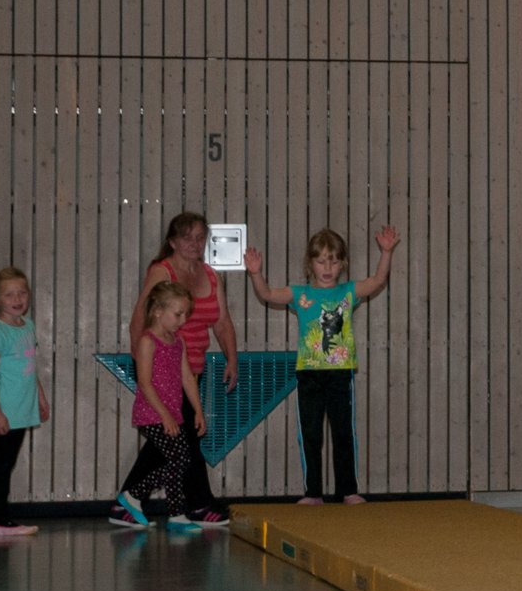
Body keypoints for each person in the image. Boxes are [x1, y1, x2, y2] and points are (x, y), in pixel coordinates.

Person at [244, 225, 398, 505]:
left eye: (334, 260)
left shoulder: (348, 292)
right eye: (321, 260)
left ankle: (348, 490)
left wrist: (386, 252)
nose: (327, 267)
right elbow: (267, 294)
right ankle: (313, 492)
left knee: (343, 432)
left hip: (340, 374)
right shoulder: (299, 294)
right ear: (310, 263)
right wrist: (256, 274)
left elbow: (377, 281)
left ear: (343, 264)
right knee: (311, 432)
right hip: (309, 374)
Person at [117, 212, 239, 528]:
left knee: (172, 442)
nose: (194, 244)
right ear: (172, 241)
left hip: (191, 369)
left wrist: (232, 359)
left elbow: (223, 323)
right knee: (179, 441)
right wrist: (145, 365)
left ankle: (132, 501)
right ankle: (196, 504)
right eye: (187, 237)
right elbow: (139, 319)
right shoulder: (162, 271)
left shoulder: (211, 275)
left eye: (200, 237)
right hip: (163, 372)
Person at [114, 280, 207, 534]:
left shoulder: (178, 342)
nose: (182, 320)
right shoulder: (148, 341)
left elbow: (187, 377)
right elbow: (144, 382)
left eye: (185, 314)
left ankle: (176, 514)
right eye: (177, 314)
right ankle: (133, 495)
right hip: (151, 413)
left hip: (173, 413)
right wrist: (165, 415)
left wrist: (198, 410)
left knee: (178, 459)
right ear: (157, 311)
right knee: (180, 459)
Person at [0, 266, 50, 539]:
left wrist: (41, 399)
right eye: (9, 294)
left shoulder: (28, 325)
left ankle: (1, 517)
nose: (17, 298)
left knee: (7, 464)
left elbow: (30, 367)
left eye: (22, 292)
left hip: (23, 408)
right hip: (5, 411)